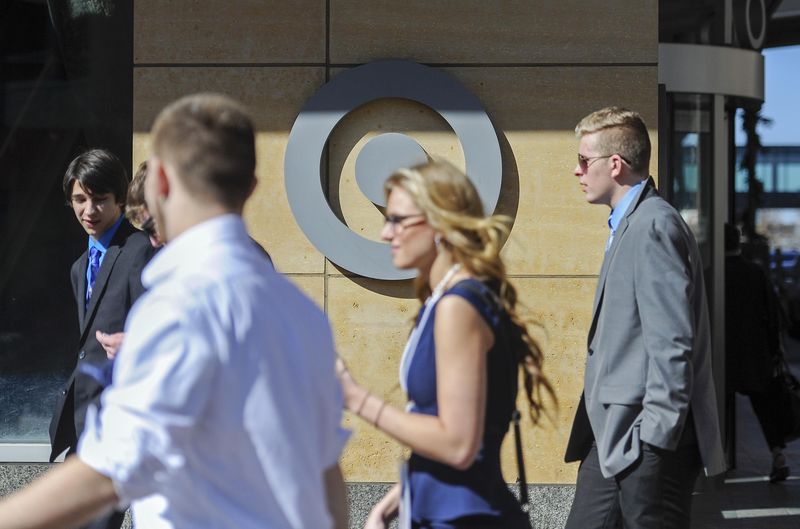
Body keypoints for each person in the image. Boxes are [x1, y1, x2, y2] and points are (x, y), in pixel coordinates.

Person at [0, 93, 347, 529]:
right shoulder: (303, 312)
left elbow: (110, 470)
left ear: (159, 181)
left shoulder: (178, 304)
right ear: (252, 187)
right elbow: (326, 475)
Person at [336, 159, 553, 529]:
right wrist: (389, 505)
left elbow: (457, 444)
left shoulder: (458, 306)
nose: (386, 233)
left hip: (465, 517)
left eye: (397, 220)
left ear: (439, 223)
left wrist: (357, 399)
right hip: (440, 511)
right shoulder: (445, 300)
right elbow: (436, 426)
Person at [563, 107, 726, 529]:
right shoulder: (630, 224)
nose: (576, 171)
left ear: (614, 164)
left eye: (584, 160)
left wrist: (655, 440)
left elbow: (673, 342)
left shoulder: (653, 226)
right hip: (613, 436)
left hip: (644, 440)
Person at [50, 148, 155, 529]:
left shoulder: (141, 249)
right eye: (80, 199)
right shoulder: (80, 267)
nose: (89, 210)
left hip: (127, 423)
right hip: (86, 424)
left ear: (120, 199)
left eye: (99, 199)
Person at [724, 223, 789, 482]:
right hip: (755, 352)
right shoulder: (755, 272)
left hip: (723, 353)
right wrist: (774, 351)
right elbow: (773, 316)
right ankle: (777, 454)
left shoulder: (711, 274)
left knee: (719, 406)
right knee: (765, 407)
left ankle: (716, 457)